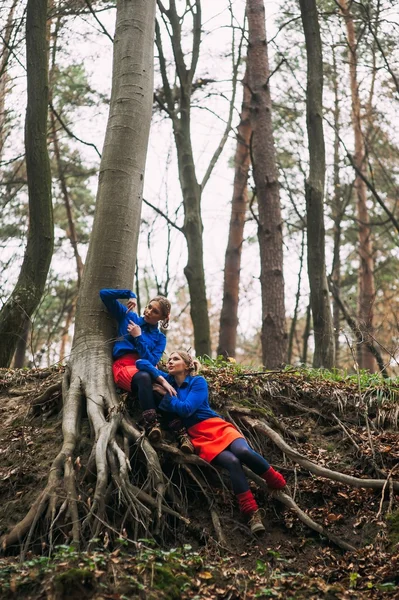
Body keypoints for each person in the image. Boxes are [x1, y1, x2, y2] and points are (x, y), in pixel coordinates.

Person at [136, 351, 287, 535]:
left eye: (175, 359)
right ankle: (252, 514)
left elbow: (187, 409)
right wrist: (163, 381)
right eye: (169, 359)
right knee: (232, 463)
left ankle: (275, 481)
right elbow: (141, 363)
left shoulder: (197, 382)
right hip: (198, 437)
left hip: (217, 427)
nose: (170, 362)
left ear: (187, 364)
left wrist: (167, 397)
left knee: (243, 452)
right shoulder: (168, 381)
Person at [99, 289, 193, 453]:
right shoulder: (129, 316)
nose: (149, 312)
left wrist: (138, 336)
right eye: (149, 307)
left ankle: (182, 435)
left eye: (155, 311)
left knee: (162, 392)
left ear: (162, 318)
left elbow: (151, 362)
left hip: (146, 368)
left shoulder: (160, 338)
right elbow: (104, 294)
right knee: (144, 378)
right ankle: (152, 424)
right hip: (125, 366)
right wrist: (131, 294)